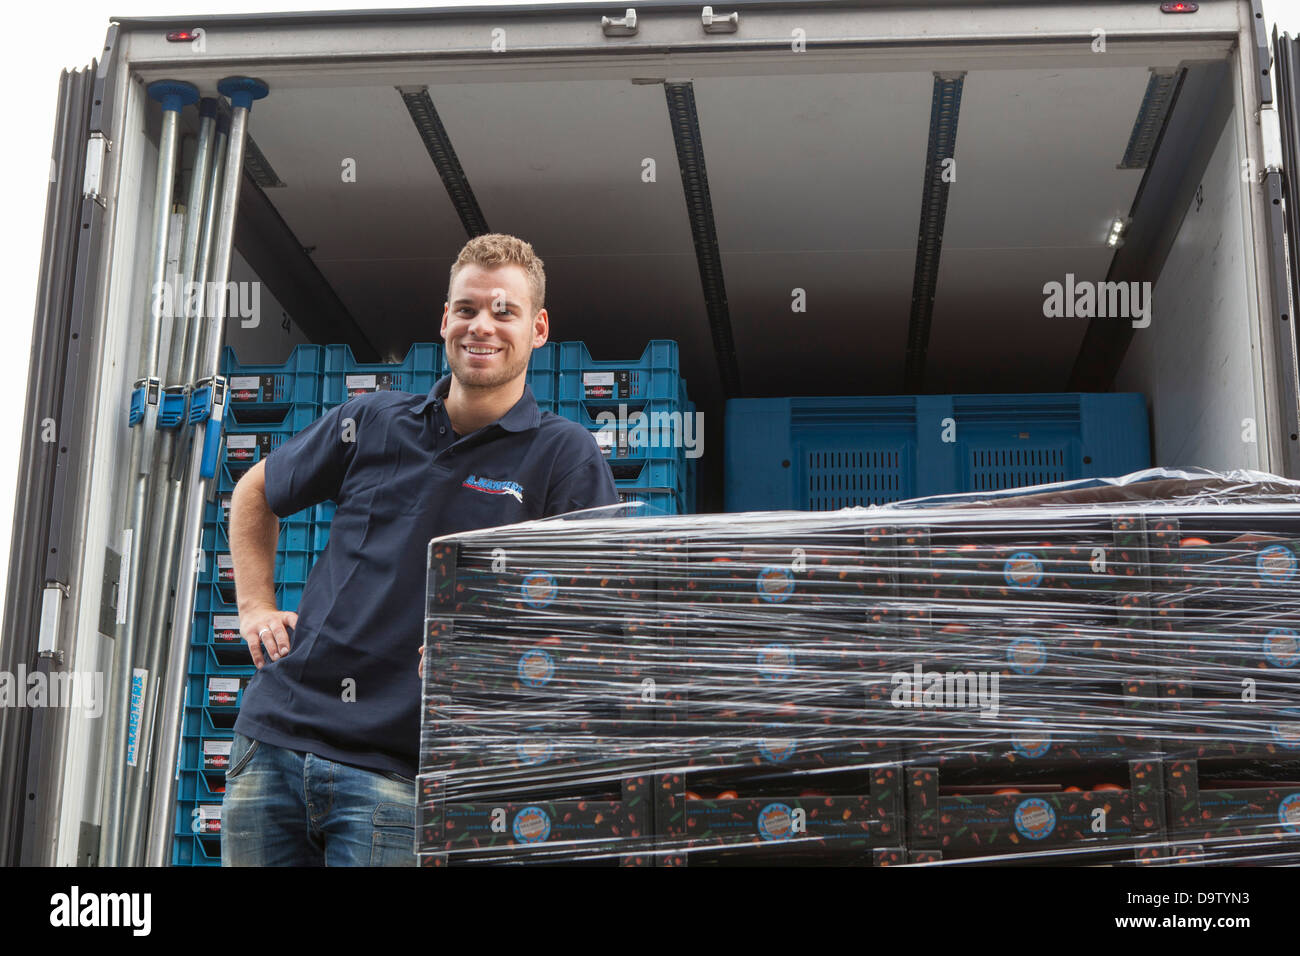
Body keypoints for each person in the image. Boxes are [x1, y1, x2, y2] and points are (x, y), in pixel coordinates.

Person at [222, 234, 619, 866]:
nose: (481, 326)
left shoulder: (563, 456)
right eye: (466, 309)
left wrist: (495, 661)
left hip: (401, 778)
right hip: (274, 742)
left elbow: (588, 617)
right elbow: (255, 491)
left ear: (538, 328)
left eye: (503, 312)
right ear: (444, 319)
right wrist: (254, 606)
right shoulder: (374, 420)